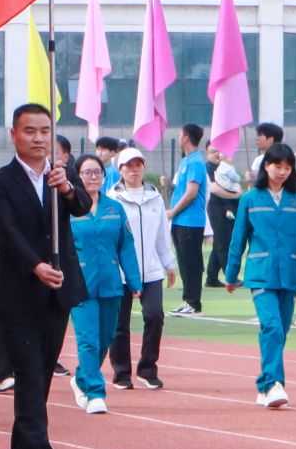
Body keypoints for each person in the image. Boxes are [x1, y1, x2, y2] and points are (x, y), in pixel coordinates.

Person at [0, 104, 88, 449]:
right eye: (30, 131)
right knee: (28, 374)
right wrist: (35, 266)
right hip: (18, 294)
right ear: (13, 135)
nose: (39, 138)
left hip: (56, 293)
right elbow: (7, 231)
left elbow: (83, 206)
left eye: (45, 131)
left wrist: (67, 188)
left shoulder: (60, 176)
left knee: (40, 378)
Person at [223, 143, 296, 409]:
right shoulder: (250, 199)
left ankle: (265, 382)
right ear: (266, 166)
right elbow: (238, 239)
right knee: (272, 326)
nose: (283, 171)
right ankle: (272, 384)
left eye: (288, 167)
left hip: (290, 273)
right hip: (261, 274)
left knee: (281, 330)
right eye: (278, 166)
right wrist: (231, 275)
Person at [67, 155, 140, 414]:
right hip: (80, 285)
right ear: (77, 177)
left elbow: (126, 245)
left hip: (110, 283)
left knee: (106, 337)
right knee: (88, 340)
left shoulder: (114, 208)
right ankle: (95, 392)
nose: (93, 177)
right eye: (87, 172)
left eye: (97, 172)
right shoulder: (69, 209)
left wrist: (134, 280)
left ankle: (81, 378)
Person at [106, 147, 175, 390]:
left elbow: (162, 235)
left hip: (151, 271)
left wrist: (169, 263)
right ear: (120, 170)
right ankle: (121, 372)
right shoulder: (112, 199)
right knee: (119, 324)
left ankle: (147, 368)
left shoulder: (155, 197)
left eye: (138, 165)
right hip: (121, 273)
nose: (134, 170)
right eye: (129, 166)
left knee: (155, 316)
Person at [167, 124, 207, 315]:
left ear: (186, 138)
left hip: (191, 221)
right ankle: (187, 300)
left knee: (191, 263)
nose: (178, 137)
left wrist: (172, 211)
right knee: (183, 262)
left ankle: (193, 302)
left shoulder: (196, 162)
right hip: (180, 221)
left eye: (180, 134)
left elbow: (191, 193)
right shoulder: (185, 161)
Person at [202, 143, 242, 290]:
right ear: (207, 153)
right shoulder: (208, 168)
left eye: (219, 151)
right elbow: (214, 189)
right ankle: (230, 277)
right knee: (224, 243)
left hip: (228, 208)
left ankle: (212, 278)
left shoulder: (224, 167)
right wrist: (236, 195)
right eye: (213, 151)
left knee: (220, 243)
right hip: (216, 208)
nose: (217, 154)